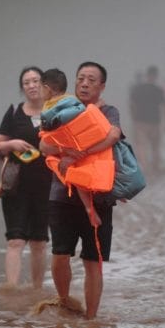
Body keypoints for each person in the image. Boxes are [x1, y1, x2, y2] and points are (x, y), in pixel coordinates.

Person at [39, 61, 122, 319]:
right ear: (75, 83)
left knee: (93, 260)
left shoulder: (108, 111)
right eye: (81, 78)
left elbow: (113, 135)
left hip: (99, 195)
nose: (85, 83)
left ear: (102, 86)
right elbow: (43, 146)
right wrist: (64, 150)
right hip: (63, 194)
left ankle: (91, 320)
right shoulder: (61, 109)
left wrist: (81, 153)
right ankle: (64, 301)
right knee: (60, 254)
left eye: (91, 80)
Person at [0, 66, 52, 290]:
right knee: (15, 240)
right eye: (27, 82)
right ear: (22, 88)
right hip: (16, 185)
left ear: (45, 85)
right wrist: (11, 144)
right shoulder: (14, 112)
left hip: (47, 185)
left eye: (36, 81)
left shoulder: (54, 111)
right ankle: (11, 290)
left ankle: (36, 291)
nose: (32, 86)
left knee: (39, 242)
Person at [38, 68, 102, 227]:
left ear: (47, 88)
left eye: (40, 88)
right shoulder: (72, 100)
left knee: (75, 176)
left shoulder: (49, 107)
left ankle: (88, 208)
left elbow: (46, 136)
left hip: (71, 146)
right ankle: (90, 207)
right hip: (83, 144)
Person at [129, 65, 165, 174]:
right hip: (154, 122)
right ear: (156, 76)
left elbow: (132, 105)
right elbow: (164, 107)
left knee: (142, 145)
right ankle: (155, 166)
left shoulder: (137, 89)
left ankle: (145, 167)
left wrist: (133, 118)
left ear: (146, 75)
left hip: (140, 121)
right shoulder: (158, 90)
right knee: (155, 146)